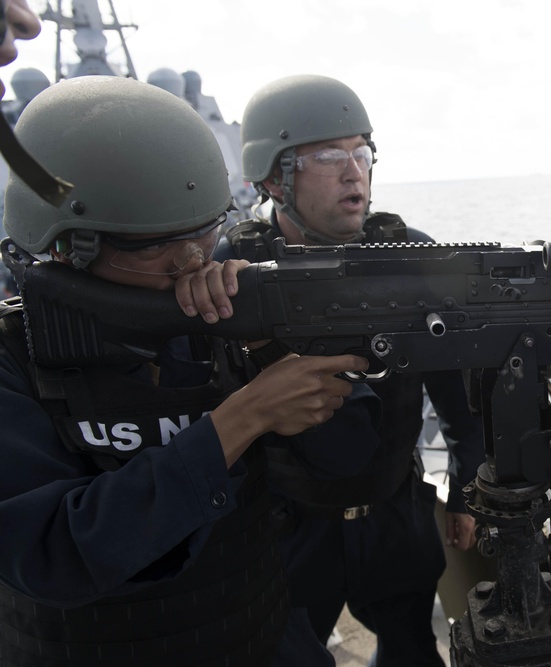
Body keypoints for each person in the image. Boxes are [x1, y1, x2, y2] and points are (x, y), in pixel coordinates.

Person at [0, 75, 382, 666]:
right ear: (63, 251)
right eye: (156, 246)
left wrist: (265, 342)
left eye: (205, 232)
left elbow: (350, 464)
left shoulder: (218, 319)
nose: (194, 262)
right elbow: (52, 553)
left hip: (259, 636)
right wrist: (242, 418)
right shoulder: (13, 358)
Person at [187, 74, 486, 666]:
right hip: (289, 528)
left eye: (362, 153)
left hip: (396, 514)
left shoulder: (411, 257)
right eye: (329, 157)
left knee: (412, 651)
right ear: (273, 179)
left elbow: (455, 389)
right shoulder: (232, 271)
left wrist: (466, 488)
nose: (355, 172)